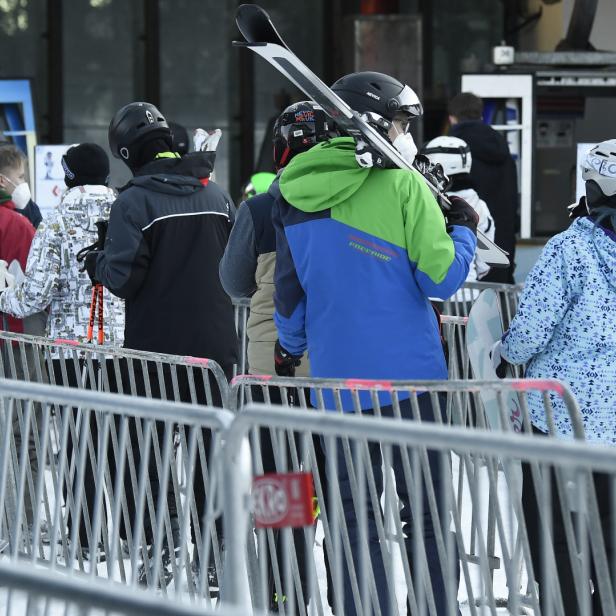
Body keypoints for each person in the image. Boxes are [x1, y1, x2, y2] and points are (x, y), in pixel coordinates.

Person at [272, 71, 476, 615]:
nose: (408, 134)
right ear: (377, 121)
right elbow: (441, 280)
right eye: (404, 122)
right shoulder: (404, 186)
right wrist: (464, 232)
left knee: (353, 518)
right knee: (428, 515)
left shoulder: (288, 194)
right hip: (411, 383)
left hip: (337, 386)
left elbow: (289, 303)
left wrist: (290, 351)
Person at [84, 101, 238, 587]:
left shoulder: (133, 203)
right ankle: (215, 555)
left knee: (146, 451)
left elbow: (124, 279)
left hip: (153, 354)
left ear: (127, 152)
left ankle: (160, 547)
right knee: (209, 450)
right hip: (215, 351)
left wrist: (97, 261)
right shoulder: (217, 194)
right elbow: (235, 274)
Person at [219, 101, 337, 610]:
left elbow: (232, 282)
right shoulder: (354, 199)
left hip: (274, 369)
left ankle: (286, 594)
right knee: (340, 492)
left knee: (282, 483)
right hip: (337, 365)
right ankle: (348, 594)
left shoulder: (262, 206)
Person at [495, 139, 616, 615]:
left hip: (559, 420)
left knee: (556, 535)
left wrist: (503, 350)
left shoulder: (570, 248)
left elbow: (530, 331)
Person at [0, 142, 125, 557]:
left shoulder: (57, 221)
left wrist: (4, 298)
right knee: (120, 437)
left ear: (69, 175)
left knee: (78, 441)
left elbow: (34, 294)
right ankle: (132, 530)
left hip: (71, 349)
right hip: (124, 347)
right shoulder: (126, 212)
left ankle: (87, 534)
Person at [448, 92, 517, 283]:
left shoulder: (447, 151)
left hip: (462, 258)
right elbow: (512, 201)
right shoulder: (501, 146)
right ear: (480, 115)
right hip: (500, 253)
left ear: (452, 118)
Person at [422, 135, 495, 293]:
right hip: (468, 295)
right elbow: (485, 263)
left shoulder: (423, 202)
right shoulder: (480, 206)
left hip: (431, 294)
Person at [0, 144, 43, 228]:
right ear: (2, 180)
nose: (24, 182)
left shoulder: (29, 206)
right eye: (21, 177)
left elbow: (40, 235)